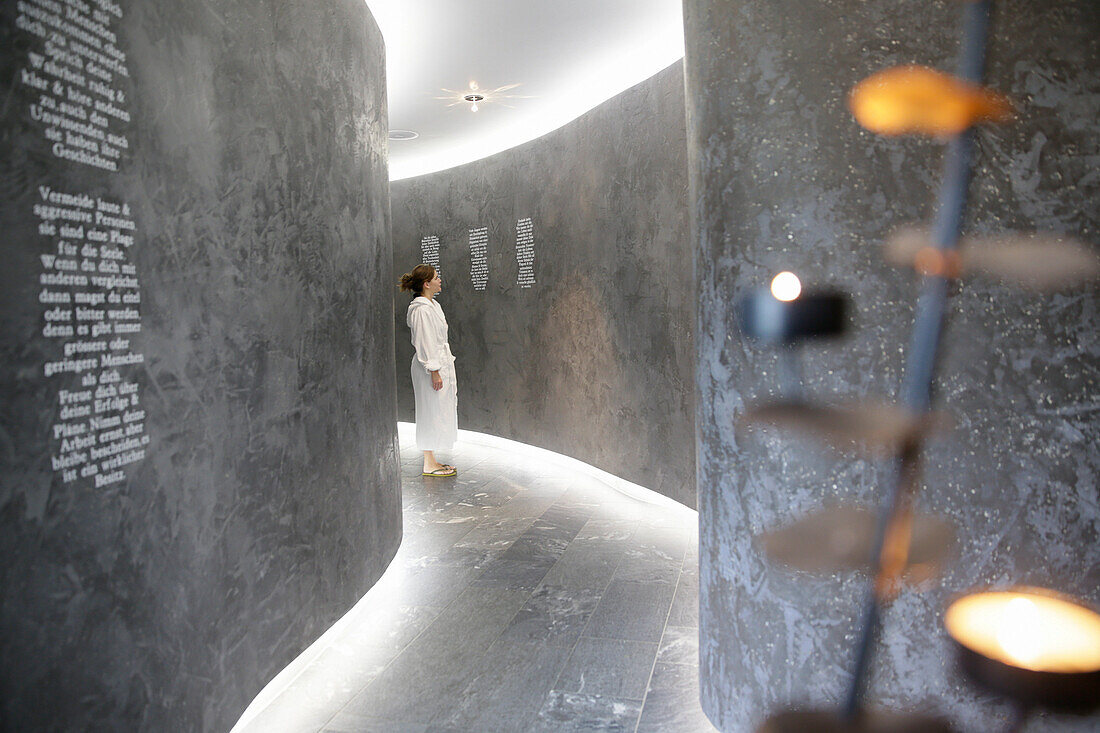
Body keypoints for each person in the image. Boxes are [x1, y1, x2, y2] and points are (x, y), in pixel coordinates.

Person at [399, 264, 458, 477]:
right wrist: (434, 370)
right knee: (429, 410)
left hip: (439, 364)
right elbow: (424, 341)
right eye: (436, 277)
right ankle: (428, 462)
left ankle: (431, 459)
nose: (439, 280)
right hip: (429, 367)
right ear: (426, 284)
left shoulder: (433, 305)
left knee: (437, 409)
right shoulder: (422, 309)